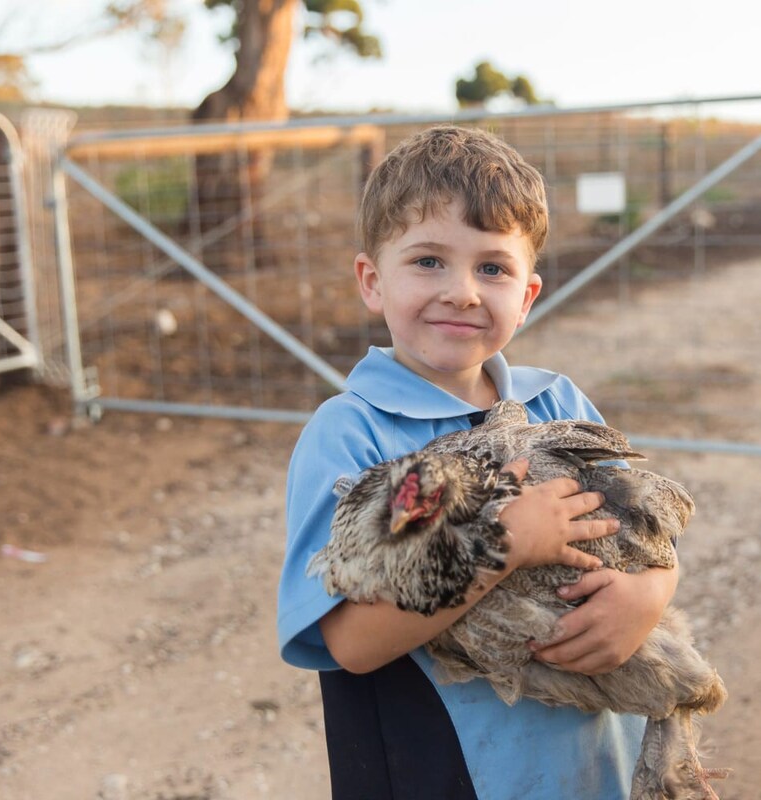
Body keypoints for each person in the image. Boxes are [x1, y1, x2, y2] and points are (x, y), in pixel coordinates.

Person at [277, 125, 680, 799]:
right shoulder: (348, 435)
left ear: (525, 297)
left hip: (590, 763)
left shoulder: (557, 400)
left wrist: (650, 594)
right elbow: (349, 643)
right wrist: (504, 546)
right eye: (429, 261)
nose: (463, 291)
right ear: (372, 282)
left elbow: (645, 533)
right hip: (441, 770)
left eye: (492, 268)